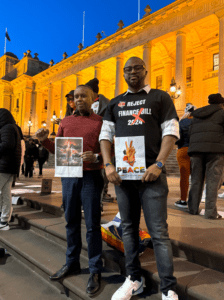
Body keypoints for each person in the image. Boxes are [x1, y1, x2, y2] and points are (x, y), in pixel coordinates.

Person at [99, 57, 179, 300]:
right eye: (127, 69)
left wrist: (159, 163)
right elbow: (105, 136)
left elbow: (171, 131)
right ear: (122, 74)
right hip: (124, 179)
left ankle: (168, 288)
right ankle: (133, 279)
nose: (132, 72)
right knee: (129, 229)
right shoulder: (115, 103)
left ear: (145, 70)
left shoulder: (160, 97)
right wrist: (108, 164)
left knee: (158, 232)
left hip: (152, 176)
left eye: (137, 68)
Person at [35, 85, 104, 296]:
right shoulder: (65, 122)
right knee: (71, 221)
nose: (80, 99)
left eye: (84, 96)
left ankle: (94, 269)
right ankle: (72, 263)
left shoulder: (100, 122)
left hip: (91, 176)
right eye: (76, 97)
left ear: (94, 99)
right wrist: (44, 141)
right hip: (69, 178)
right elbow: (59, 150)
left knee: (92, 224)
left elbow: (110, 150)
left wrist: (97, 157)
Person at [188, 93, 224, 219]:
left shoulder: (197, 115)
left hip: (196, 150)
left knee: (196, 181)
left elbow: (190, 132)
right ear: (221, 104)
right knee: (213, 181)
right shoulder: (222, 113)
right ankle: (210, 212)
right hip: (216, 151)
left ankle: (192, 209)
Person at [85, 78, 112, 202]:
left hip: (102, 139)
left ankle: (102, 193)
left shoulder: (107, 104)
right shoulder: (86, 103)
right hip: (88, 140)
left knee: (102, 167)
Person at [0, 109, 21, 230]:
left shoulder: (7, 128)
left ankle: (3, 219)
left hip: (4, 165)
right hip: (8, 166)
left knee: (5, 193)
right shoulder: (12, 127)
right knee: (6, 193)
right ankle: (4, 220)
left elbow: (7, 144)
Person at [174, 104, 196, 209]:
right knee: (197, 177)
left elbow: (178, 139)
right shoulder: (198, 122)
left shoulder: (181, 122)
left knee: (184, 177)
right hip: (196, 151)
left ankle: (183, 200)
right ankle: (196, 200)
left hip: (183, 150)